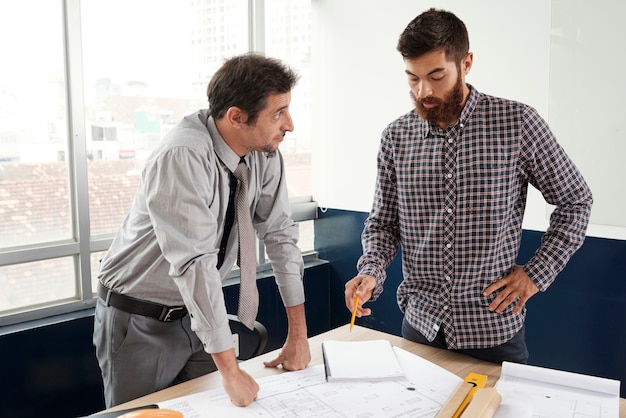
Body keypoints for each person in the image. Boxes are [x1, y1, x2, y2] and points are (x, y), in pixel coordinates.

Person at [344, 8, 592, 364]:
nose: (424, 91)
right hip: (420, 329)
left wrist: (535, 275)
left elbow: (576, 201)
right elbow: (383, 225)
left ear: (467, 63)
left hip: (493, 333)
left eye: (436, 75)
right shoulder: (396, 137)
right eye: (412, 78)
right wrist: (369, 272)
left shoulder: (517, 123)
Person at [93, 53, 311, 408]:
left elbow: (281, 235)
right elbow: (194, 263)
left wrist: (298, 336)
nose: (289, 124)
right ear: (236, 117)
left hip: (200, 316)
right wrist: (231, 372)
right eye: (277, 113)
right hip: (141, 319)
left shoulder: (264, 152)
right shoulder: (183, 155)